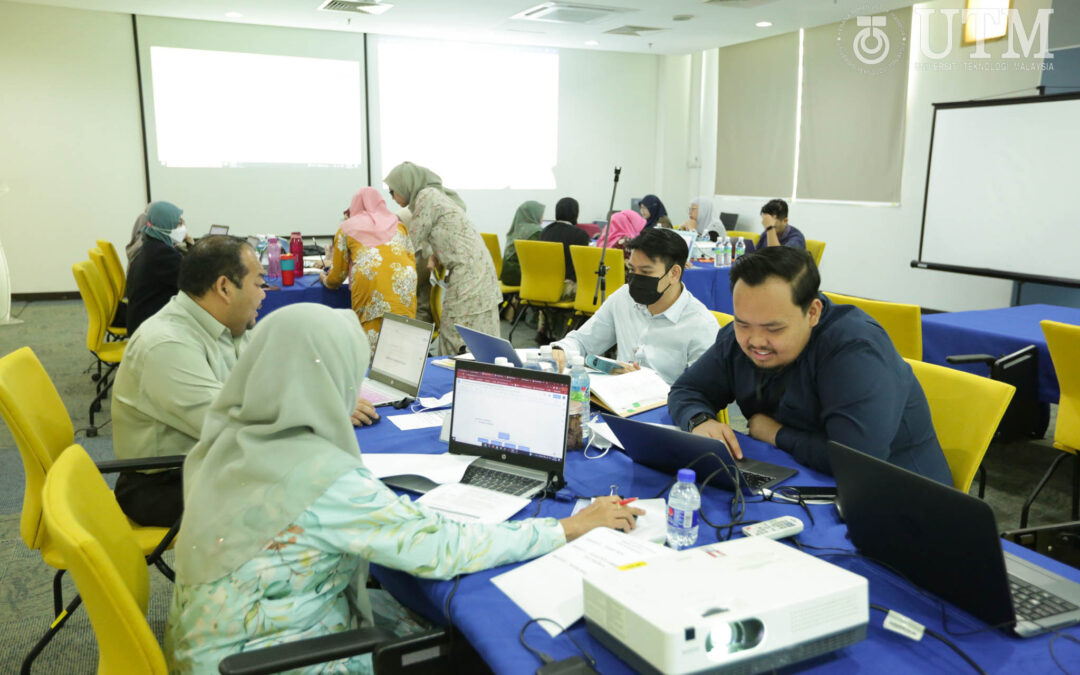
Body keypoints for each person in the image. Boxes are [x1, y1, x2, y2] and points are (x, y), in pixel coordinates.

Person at [164, 304, 643, 673]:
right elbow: (440, 549)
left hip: (212, 641)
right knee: (469, 646)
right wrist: (570, 526)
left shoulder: (228, 436)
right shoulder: (320, 478)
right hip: (276, 657)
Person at [112, 236, 381, 527]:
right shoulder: (165, 346)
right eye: (259, 283)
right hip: (167, 482)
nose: (264, 294)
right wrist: (323, 407)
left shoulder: (227, 327)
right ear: (225, 287)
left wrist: (328, 392)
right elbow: (233, 424)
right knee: (318, 496)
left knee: (327, 480)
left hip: (213, 460)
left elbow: (276, 370)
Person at [668, 246, 952, 485]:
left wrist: (776, 434)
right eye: (743, 323)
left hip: (900, 498)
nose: (755, 341)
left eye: (774, 328)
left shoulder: (855, 351)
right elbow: (687, 390)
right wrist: (699, 421)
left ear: (812, 312)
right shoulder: (736, 339)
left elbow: (856, 460)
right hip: (796, 478)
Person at [551, 228, 719, 385]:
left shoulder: (701, 325)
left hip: (665, 410)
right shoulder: (624, 298)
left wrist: (644, 383)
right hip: (620, 400)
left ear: (674, 274)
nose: (636, 280)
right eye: (632, 269)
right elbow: (583, 341)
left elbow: (701, 394)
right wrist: (561, 350)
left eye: (646, 272)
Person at [384, 162, 501, 355]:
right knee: (475, 332)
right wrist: (436, 254)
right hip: (476, 269)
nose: (393, 197)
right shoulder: (433, 196)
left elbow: (410, 241)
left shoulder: (426, 197)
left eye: (393, 191)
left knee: (456, 333)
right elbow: (447, 231)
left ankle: (452, 380)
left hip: (469, 274)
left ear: (407, 185)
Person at [320, 187, 417, 353]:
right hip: (405, 282)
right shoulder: (398, 224)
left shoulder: (346, 228)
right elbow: (411, 259)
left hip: (373, 284)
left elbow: (338, 275)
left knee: (373, 346)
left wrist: (325, 279)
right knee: (402, 343)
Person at [125, 201, 189, 335]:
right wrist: (191, 246)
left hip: (143, 320)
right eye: (178, 223)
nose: (183, 227)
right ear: (166, 225)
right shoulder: (162, 255)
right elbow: (195, 281)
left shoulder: (149, 245)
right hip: (149, 329)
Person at [536, 197, 591, 342]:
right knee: (591, 289)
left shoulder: (544, 232)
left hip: (543, 287)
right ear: (575, 213)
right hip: (566, 288)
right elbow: (583, 266)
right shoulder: (581, 236)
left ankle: (544, 331)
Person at [499, 200, 545, 286]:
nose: (542, 218)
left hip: (505, 275)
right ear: (534, 214)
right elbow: (537, 260)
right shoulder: (536, 231)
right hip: (521, 276)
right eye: (541, 215)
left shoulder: (516, 229)